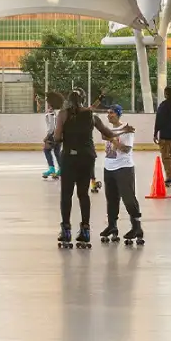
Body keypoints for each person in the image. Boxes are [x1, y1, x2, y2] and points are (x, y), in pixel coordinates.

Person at [54, 90, 122, 247]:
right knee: (83, 194)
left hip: (69, 157)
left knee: (66, 194)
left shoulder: (63, 115)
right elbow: (107, 133)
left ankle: (66, 230)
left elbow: (57, 137)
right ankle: (85, 230)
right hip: (86, 157)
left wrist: (65, 137)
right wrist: (123, 130)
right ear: (83, 100)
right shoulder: (91, 115)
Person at [97, 105, 144, 244]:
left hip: (124, 168)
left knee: (128, 198)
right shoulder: (117, 129)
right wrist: (119, 133)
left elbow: (126, 149)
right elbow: (104, 135)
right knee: (111, 199)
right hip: (109, 168)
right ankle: (112, 226)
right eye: (108, 113)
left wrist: (114, 139)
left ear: (118, 114)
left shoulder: (128, 130)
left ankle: (136, 227)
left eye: (111, 113)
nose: (108, 115)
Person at [40, 91, 63, 180]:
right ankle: (61, 169)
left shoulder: (50, 112)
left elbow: (52, 127)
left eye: (47, 100)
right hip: (59, 135)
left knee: (46, 150)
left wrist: (47, 136)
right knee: (57, 152)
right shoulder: (59, 111)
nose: (46, 101)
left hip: (52, 135)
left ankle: (52, 169)